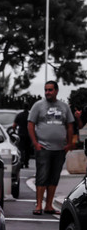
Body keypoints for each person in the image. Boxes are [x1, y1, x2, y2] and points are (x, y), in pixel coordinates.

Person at [27, 80, 75, 215]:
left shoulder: (64, 107)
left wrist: (69, 143)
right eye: (46, 90)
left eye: (50, 90)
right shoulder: (38, 106)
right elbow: (30, 124)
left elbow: (70, 125)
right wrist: (35, 143)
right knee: (42, 176)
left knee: (54, 177)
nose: (47, 92)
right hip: (43, 148)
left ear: (56, 91)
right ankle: (38, 206)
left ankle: (49, 205)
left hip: (59, 149)